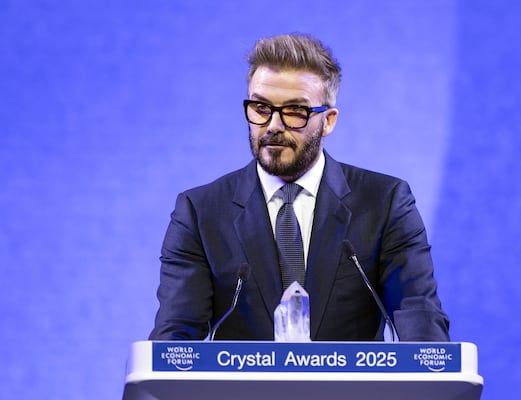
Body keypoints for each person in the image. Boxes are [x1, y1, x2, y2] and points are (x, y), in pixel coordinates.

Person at [149, 33, 449, 342]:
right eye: (261, 108)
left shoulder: (384, 204)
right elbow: (174, 343)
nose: (273, 125)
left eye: (295, 111)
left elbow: (421, 320)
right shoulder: (200, 213)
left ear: (328, 121)